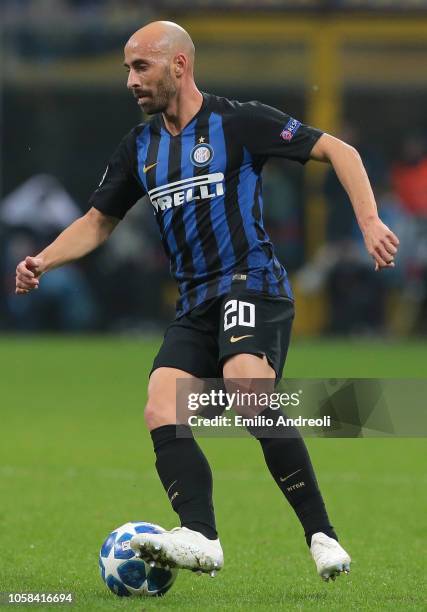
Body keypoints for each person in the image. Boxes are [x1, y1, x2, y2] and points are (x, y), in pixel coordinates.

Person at [15, 21, 399, 582]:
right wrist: (43, 260)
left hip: (252, 284)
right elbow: (99, 221)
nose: (130, 80)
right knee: (160, 404)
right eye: (126, 68)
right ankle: (201, 535)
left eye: (140, 66)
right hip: (196, 302)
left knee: (248, 387)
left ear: (179, 65)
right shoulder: (139, 147)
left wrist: (369, 221)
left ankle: (322, 536)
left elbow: (339, 150)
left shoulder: (238, 121)